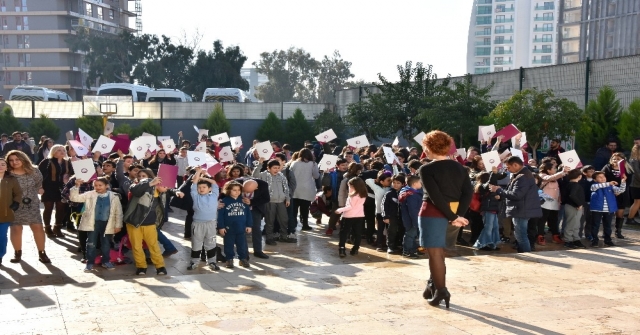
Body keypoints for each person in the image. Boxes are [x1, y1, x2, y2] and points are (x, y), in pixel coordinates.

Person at [418, 131, 472, 308]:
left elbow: (435, 197)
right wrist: (458, 216)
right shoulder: (461, 168)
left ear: (429, 147)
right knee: (440, 255)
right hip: (454, 214)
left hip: (432, 214)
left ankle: (441, 290)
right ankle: (433, 284)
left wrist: (454, 217)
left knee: (435, 254)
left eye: (424, 146)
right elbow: (467, 194)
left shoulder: (426, 168)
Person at [123, 169, 184, 276]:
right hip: (134, 222)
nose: (166, 187)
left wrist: (176, 191)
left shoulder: (161, 192)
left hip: (150, 224)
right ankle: (141, 267)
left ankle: (160, 267)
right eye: (165, 185)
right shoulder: (138, 187)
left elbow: (170, 190)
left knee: (154, 246)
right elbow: (136, 190)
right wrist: (150, 183)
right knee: (137, 246)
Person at [69, 177, 123, 272]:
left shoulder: (114, 197)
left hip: (107, 224)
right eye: (95, 185)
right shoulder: (90, 194)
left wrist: (118, 225)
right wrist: (76, 186)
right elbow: (74, 198)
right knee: (91, 243)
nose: (97, 187)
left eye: (100, 185)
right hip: (93, 223)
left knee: (106, 243)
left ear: (107, 186)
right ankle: (89, 262)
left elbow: (118, 212)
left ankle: (106, 261)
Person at [5, 150, 50, 263]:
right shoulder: (7, 173)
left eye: (17, 159)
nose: (14, 162)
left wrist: (40, 189)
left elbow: (39, 184)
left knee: (38, 227)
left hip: (32, 203)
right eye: (11, 160)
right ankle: (17, 253)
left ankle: (42, 253)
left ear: (23, 159)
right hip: (13, 204)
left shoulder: (34, 171)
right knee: (16, 228)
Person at [490, 156, 542, 254]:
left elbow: (516, 195)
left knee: (521, 235)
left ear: (515, 165)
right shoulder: (522, 174)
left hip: (521, 210)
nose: (507, 170)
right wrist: (501, 194)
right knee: (520, 234)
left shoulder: (522, 177)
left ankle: (526, 254)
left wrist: (499, 190)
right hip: (521, 208)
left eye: (508, 167)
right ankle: (524, 253)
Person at [187, 168, 221, 271]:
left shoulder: (214, 195)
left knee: (211, 243)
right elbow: (194, 183)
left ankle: (212, 262)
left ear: (209, 189)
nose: (201, 189)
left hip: (211, 224)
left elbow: (214, 182)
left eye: (204, 187)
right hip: (198, 224)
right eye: (199, 187)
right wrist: (198, 172)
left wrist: (203, 177)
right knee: (196, 244)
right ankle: (194, 262)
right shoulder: (195, 196)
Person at [252, 159, 291, 243]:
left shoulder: (281, 176)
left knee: (284, 219)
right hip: (270, 202)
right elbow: (254, 176)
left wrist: (287, 198)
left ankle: (284, 236)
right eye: (274, 168)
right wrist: (260, 164)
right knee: (270, 220)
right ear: (268, 168)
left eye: (278, 168)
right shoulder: (264, 175)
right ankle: (269, 238)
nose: (276, 170)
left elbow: (286, 188)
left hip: (281, 201)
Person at [39, 144, 73, 238]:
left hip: (62, 187)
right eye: (59, 150)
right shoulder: (47, 161)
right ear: (53, 152)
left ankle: (57, 227)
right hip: (49, 187)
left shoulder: (67, 162)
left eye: (63, 150)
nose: (62, 152)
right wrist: (40, 187)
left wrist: (68, 178)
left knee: (61, 208)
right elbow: (38, 175)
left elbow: (72, 173)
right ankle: (47, 228)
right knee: (48, 208)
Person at [218, 181, 252, 269]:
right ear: (228, 190)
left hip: (241, 227)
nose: (237, 192)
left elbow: (248, 214)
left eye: (239, 190)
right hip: (229, 228)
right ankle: (229, 259)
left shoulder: (244, 201)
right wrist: (221, 227)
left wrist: (249, 225)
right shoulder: (224, 201)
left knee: (242, 245)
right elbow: (220, 216)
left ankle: (243, 258)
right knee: (228, 244)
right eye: (234, 190)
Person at [590, 171, 626, 247]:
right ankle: (594, 240)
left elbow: (620, 190)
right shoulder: (594, 185)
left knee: (608, 225)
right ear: (595, 180)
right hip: (597, 209)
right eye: (600, 177)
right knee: (595, 225)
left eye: (603, 177)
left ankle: (608, 240)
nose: (602, 178)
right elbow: (596, 187)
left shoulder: (611, 187)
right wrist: (609, 183)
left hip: (608, 210)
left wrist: (623, 182)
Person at [538, 162, 570, 244]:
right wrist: (563, 172)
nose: (555, 170)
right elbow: (550, 178)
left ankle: (555, 235)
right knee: (542, 220)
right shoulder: (542, 175)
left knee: (554, 220)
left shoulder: (556, 177)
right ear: (548, 170)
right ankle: (540, 236)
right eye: (554, 168)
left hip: (554, 202)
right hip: (544, 201)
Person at [335, 177, 367, 257]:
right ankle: (355, 248)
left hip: (349, 216)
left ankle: (342, 248)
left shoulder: (352, 196)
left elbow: (350, 207)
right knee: (357, 233)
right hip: (359, 216)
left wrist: (340, 210)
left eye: (350, 186)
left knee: (344, 233)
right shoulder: (363, 195)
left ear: (354, 186)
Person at [290, 148, 320, 231]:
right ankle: (305, 224)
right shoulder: (313, 164)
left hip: (295, 189)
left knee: (294, 209)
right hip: (307, 189)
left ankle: (293, 224)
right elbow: (316, 176)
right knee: (305, 209)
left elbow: (290, 175)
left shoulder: (294, 163)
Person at [0, 157, 22, 265]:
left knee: (1, 236)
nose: (1, 166)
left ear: (6, 167)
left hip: (5, 213)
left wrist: (16, 203)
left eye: (3, 164)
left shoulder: (11, 179)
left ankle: (0, 255)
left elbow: (18, 193)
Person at [602, 153, 629, 239]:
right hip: (609, 192)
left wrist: (624, 180)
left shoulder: (627, 169)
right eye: (614, 159)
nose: (616, 160)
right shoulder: (607, 168)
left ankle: (618, 231)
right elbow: (601, 178)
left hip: (621, 193)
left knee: (620, 213)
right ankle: (606, 232)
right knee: (608, 214)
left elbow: (629, 182)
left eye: (618, 159)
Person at [473, 172, 501, 251]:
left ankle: (491, 244)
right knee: (488, 228)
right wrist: (494, 173)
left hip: (493, 209)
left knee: (495, 227)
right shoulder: (482, 187)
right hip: (487, 209)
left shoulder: (491, 187)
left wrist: (499, 197)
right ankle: (480, 244)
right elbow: (489, 183)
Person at [365, 170, 392, 251]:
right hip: (379, 213)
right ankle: (379, 245)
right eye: (388, 180)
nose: (390, 182)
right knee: (380, 230)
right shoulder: (377, 188)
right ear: (381, 181)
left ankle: (388, 244)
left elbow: (396, 176)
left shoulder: (391, 188)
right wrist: (378, 178)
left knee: (389, 230)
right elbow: (367, 180)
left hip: (389, 213)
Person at [399, 175, 422, 258]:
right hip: (412, 219)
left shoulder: (407, 192)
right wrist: (416, 221)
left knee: (413, 235)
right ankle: (407, 251)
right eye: (420, 182)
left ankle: (413, 250)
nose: (421, 184)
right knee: (410, 235)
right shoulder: (412, 195)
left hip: (410, 219)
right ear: (415, 184)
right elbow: (413, 210)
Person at [562, 169, 587, 249]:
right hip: (573, 206)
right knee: (571, 224)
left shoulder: (568, 184)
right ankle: (568, 240)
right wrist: (579, 204)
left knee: (576, 224)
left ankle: (576, 239)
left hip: (572, 206)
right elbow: (572, 195)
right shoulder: (575, 185)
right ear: (579, 176)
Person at [382, 174, 405, 253]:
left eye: (398, 183)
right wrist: (385, 216)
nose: (395, 185)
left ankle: (401, 245)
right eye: (394, 182)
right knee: (392, 231)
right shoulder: (389, 193)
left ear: (402, 184)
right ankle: (390, 246)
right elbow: (384, 205)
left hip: (403, 216)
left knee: (402, 230)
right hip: (392, 216)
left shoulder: (405, 193)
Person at [578, 165, 596, 240]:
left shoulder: (595, 181)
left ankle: (588, 234)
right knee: (581, 220)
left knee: (590, 220)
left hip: (592, 203)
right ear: (584, 173)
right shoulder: (581, 180)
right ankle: (579, 234)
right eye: (590, 171)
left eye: (593, 171)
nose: (592, 172)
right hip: (583, 203)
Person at [627, 145, 640, 226]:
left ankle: (630, 218)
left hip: (637, 184)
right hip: (636, 184)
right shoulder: (634, 161)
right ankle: (630, 219)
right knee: (637, 202)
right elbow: (637, 174)